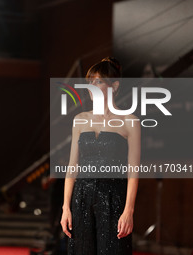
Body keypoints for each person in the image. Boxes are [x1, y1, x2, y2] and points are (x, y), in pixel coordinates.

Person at [60, 57, 140, 254]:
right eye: (89, 82)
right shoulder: (79, 120)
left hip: (113, 198)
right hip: (81, 198)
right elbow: (73, 166)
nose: (91, 86)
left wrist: (128, 210)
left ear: (114, 86)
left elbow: (133, 170)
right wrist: (65, 208)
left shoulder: (130, 121)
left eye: (98, 81)